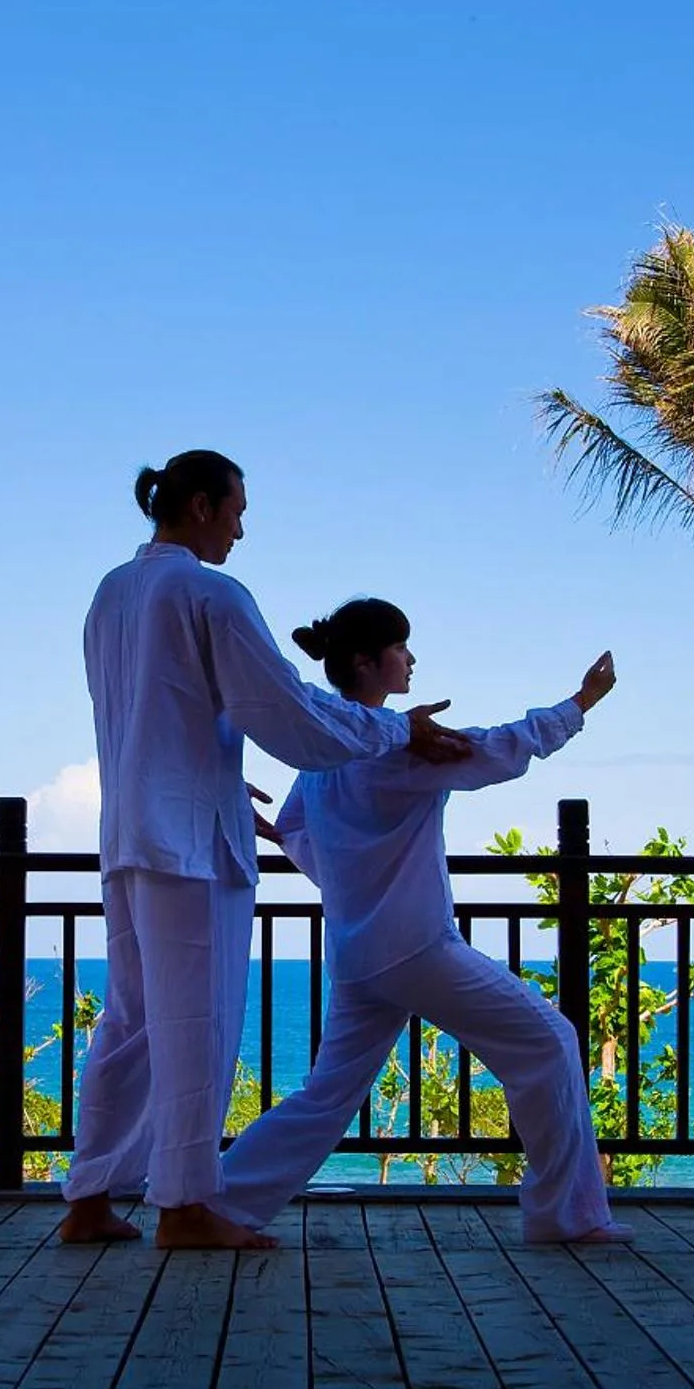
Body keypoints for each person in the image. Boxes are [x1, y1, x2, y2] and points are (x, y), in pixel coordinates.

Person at [64, 452, 473, 1249]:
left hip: (131, 836)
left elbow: (152, 719)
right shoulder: (208, 591)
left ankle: (90, 1196)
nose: (243, 528)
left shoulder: (111, 593)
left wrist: (215, 783)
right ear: (201, 504)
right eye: (238, 509)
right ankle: (184, 1206)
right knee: (197, 1024)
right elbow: (284, 709)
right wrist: (396, 727)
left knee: (133, 1019)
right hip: (189, 848)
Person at [211, 598, 631, 1245]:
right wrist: (582, 702)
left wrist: (297, 843)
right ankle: (564, 1215)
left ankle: (220, 1200)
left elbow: (295, 830)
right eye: (401, 649)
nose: (411, 660)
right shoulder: (400, 744)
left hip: (357, 955)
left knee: (325, 1097)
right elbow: (496, 749)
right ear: (366, 662)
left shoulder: (326, 751)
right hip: (414, 950)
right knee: (548, 1042)